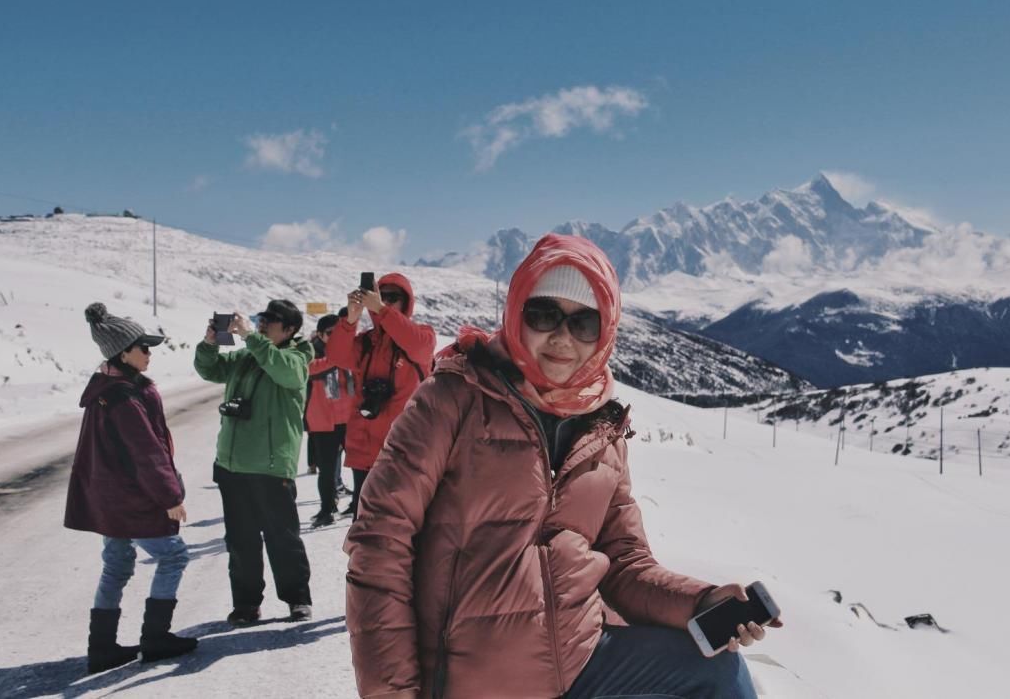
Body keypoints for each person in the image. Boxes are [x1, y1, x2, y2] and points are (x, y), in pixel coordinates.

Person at [344, 235, 780, 698]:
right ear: (516, 312)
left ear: (606, 330)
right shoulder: (452, 399)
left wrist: (702, 600)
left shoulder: (603, 428)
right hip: (477, 676)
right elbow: (379, 545)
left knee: (718, 673)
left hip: (582, 660)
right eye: (543, 315)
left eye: (584, 323)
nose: (561, 338)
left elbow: (625, 565)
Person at [66, 303, 197, 674]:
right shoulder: (123, 396)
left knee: (118, 564)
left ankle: (102, 647)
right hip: (131, 496)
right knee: (173, 556)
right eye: (143, 347)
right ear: (123, 352)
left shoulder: (107, 388)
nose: (149, 353)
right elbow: (146, 452)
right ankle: (156, 637)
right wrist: (170, 497)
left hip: (110, 498)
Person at [194, 299, 314, 625]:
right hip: (233, 465)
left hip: (272, 466)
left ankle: (297, 600)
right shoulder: (247, 355)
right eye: (262, 318)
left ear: (289, 329)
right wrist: (209, 343)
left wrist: (251, 337)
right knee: (240, 542)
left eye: (271, 321)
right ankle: (246, 605)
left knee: (282, 538)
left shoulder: (297, 357)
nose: (263, 324)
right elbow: (210, 370)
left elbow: (284, 371)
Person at [325, 272, 435, 519]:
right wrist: (350, 320)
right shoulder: (365, 343)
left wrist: (381, 309)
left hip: (404, 456)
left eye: (392, 298)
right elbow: (336, 356)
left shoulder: (421, 334)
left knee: (404, 534)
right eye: (380, 296)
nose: (384, 301)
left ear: (406, 302)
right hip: (365, 453)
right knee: (364, 538)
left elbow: (419, 346)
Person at [306, 314, 352, 528]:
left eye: (338, 333)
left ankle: (359, 504)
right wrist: (339, 356)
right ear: (320, 334)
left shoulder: (351, 351)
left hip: (350, 418)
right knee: (326, 470)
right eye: (330, 334)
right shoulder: (309, 352)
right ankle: (327, 508)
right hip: (323, 422)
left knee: (361, 466)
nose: (334, 338)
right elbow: (309, 370)